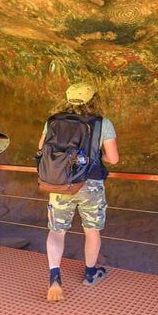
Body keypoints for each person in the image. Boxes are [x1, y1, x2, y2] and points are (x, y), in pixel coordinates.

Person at [41, 83, 119, 302]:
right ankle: (90, 273)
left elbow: (42, 150)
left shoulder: (53, 121)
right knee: (91, 231)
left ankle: (55, 277)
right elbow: (113, 158)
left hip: (60, 184)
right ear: (93, 99)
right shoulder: (102, 123)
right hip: (90, 183)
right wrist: (95, 155)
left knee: (57, 231)